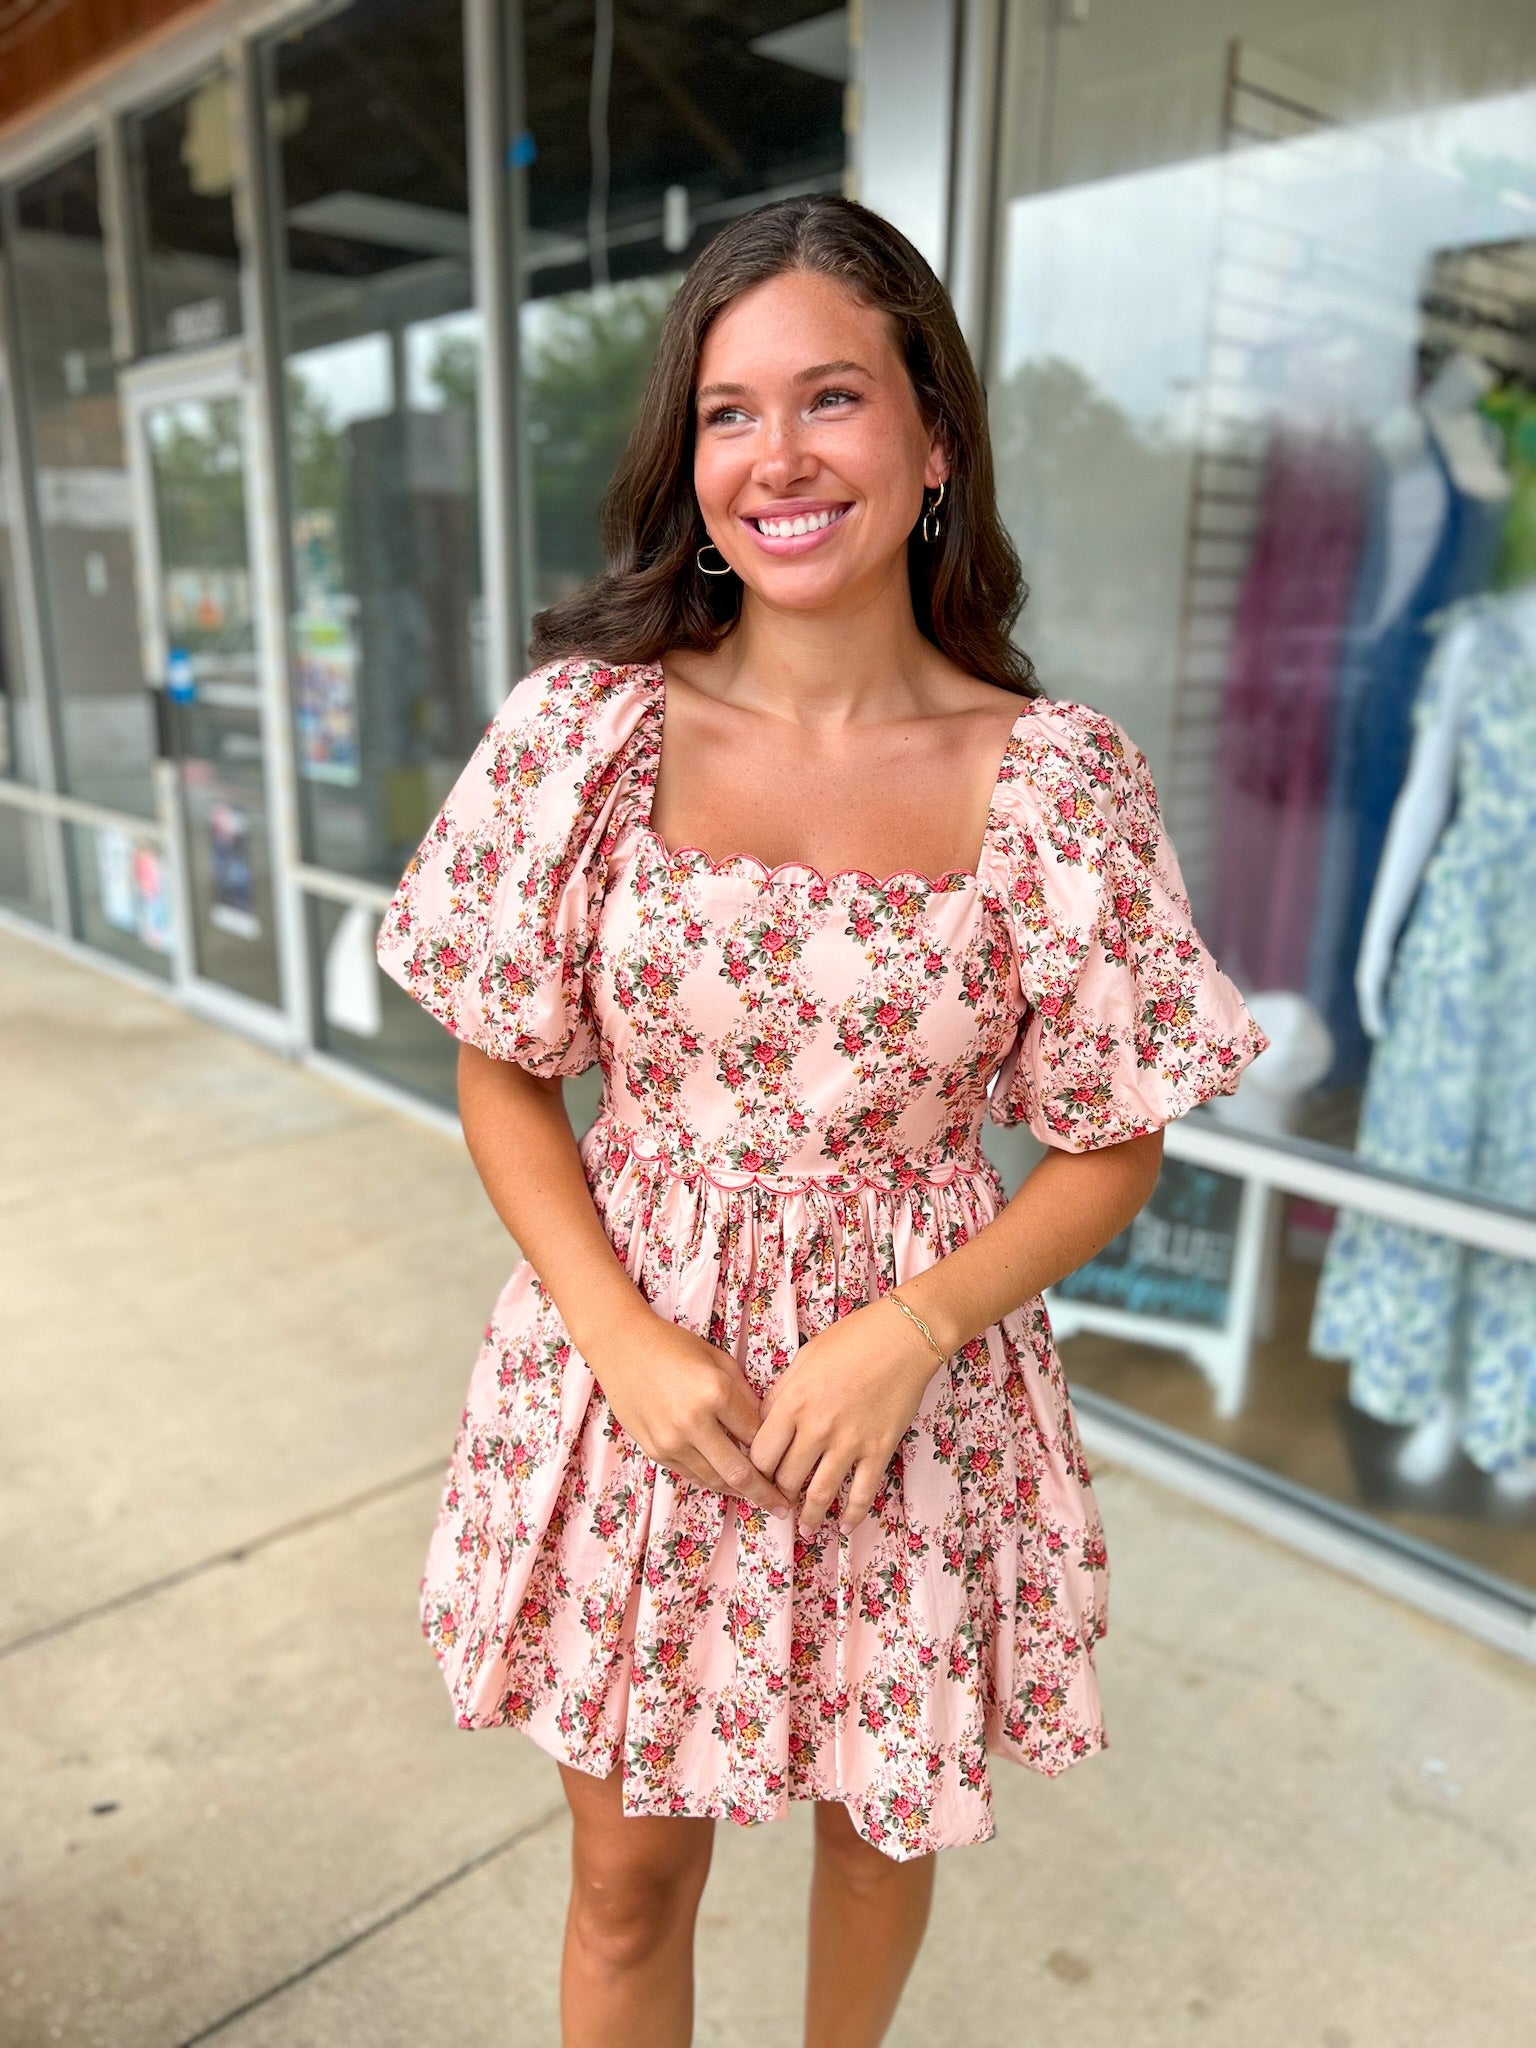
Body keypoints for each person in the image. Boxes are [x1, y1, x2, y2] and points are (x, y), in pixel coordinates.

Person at [376, 193, 1270, 2048]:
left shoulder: (1056, 780)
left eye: (833, 399)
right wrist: (619, 1339)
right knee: (631, 1878)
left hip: (913, 1401)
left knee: (882, 1830)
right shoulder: (587, 739)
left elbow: (1114, 1137)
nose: (776, 458)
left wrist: (915, 1328)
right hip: (642, 1380)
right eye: (727, 411)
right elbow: (501, 1061)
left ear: (933, 439)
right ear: (686, 455)